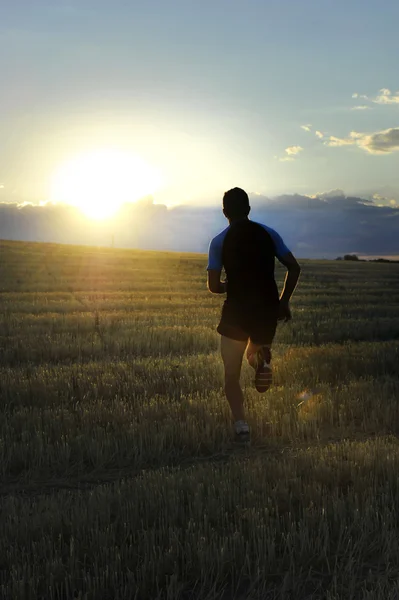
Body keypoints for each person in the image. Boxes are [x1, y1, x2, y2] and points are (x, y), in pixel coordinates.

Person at [207, 187, 301, 443]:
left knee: (231, 375)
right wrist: (284, 301)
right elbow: (294, 267)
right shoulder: (268, 234)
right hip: (266, 309)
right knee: (253, 351)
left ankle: (241, 426)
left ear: (224, 212)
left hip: (237, 311)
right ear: (249, 209)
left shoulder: (219, 241)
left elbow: (214, 287)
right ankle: (261, 362)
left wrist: (232, 284)